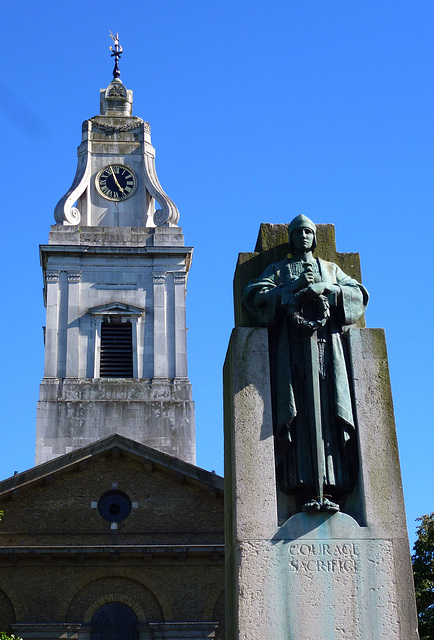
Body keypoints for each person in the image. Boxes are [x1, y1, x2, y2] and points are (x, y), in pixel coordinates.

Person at [242, 215, 368, 513]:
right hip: (292, 354)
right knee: (298, 415)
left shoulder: (331, 269)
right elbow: (255, 297)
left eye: (308, 232)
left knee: (329, 412)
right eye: (297, 233)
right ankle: (301, 485)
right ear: (290, 238)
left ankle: (333, 483)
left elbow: (358, 294)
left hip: (328, 352)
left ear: (314, 237)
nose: (303, 237)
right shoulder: (279, 269)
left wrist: (328, 288)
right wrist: (294, 286)